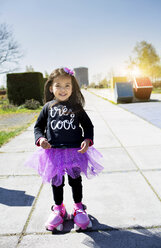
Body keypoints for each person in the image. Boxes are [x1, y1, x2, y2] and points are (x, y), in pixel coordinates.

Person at [25, 67, 103, 231]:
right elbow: (38, 127)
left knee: (75, 181)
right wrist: (40, 139)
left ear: (73, 88)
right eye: (58, 85)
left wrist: (87, 140)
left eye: (67, 85)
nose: (63, 89)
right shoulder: (48, 107)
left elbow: (88, 126)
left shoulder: (76, 107)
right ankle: (59, 208)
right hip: (53, 153)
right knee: (57, 182)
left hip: (75, 152)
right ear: (51, 87)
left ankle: (78, 207)